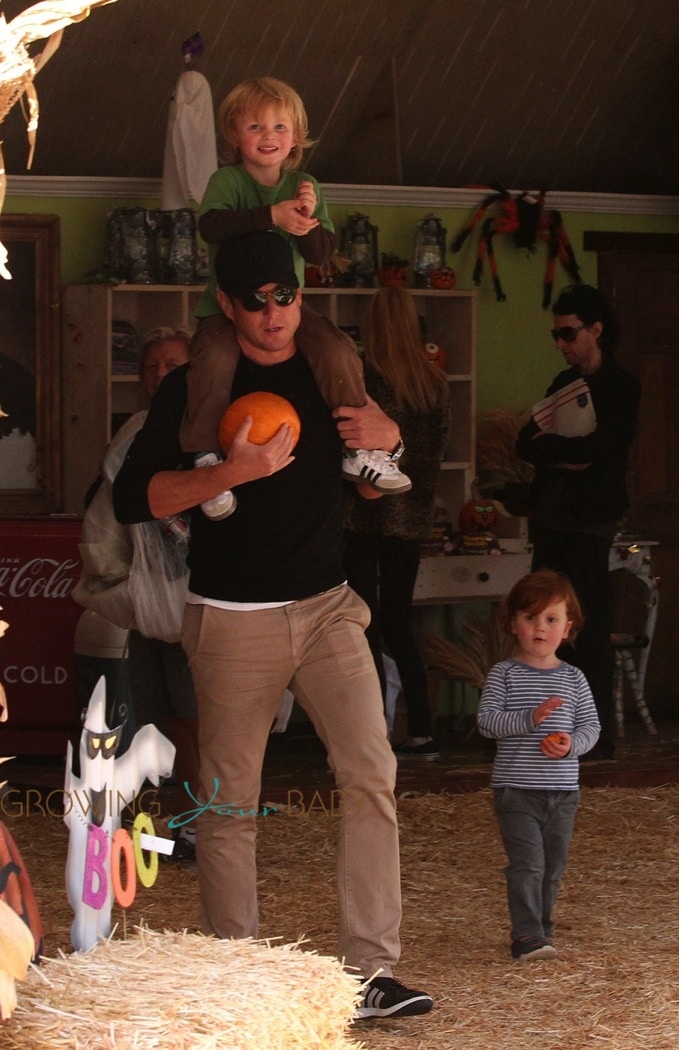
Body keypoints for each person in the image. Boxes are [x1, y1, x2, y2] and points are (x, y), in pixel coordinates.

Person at [112, 230, 433, 1020]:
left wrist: (390, 439)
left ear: (300, 295)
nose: (272, 312)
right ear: (226, 304)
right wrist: (229, 474)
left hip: (327, 609)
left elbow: (377, 473)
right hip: (230, 620)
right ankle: (235, 979)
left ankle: (370, 973)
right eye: (253, 300)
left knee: (371, 773)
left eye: (284, 295)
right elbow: (133, 500)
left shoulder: (332, 373)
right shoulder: (192, 386)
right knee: (229, 806)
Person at [180, 75, 409, 520]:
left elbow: (321, 253)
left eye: (280, 127)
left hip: (291, 307)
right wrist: (271, 215)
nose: (269, 137)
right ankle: (206, 459)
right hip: (230, 309)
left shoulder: (305, 183)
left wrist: (307, 220)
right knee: (212, 361)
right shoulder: (226, 180)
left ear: (296, 137)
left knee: (337, 348)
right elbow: (211, 228)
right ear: (234, 135)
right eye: (256, 127)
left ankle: (359, 448)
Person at [74, 327, 200, 866]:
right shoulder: (133, 434)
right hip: (148, 608)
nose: (159, 375)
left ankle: (209, 828)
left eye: (171, 364)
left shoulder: (208, 429)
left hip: (204, 604)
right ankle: (190, 826)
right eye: (150, 367)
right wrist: (125, 586)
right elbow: (107, 518)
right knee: (164, 720)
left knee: (202, 723)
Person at [515, 284, 640, 760]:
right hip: (551, 517)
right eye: (557, 335)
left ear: (596, 330)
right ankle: (544, 728)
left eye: (569, 333)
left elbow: (600, 454)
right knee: (543, 626)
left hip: (591, 521)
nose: (562, 343)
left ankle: (594, 737)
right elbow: (526, 444)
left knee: (587, 627)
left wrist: (558, 453)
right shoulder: (559, 384)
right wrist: (562, 456)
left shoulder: (623, 387)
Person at [343, 286, 449, 760]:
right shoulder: (434, 383)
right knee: (401, 625)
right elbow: (435, 455)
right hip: (413, 519)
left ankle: (371, 732)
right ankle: (423, 728)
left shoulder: (363, 381)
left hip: (363, 516)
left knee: (363, 624)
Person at [477, 570, 600, 962]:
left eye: (550, 619)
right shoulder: (504, 675)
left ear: (568, 627)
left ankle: (544, 929)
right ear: (513, 624)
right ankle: (527, 935)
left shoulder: (574, 678)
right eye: (530, 618)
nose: (540, 628)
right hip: (517, 790)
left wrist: (569, 747)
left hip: (563, 791)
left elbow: (591, 727)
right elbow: (488, 722)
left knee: (553, 866)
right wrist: (531, 718)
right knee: (527, 864)